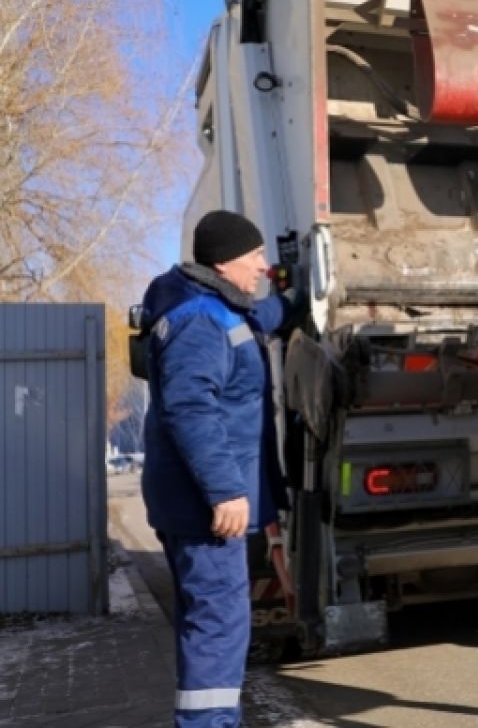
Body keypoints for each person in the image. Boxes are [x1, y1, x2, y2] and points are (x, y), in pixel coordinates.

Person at [139, 210, 302, 728]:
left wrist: (298, 300)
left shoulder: (220, 308)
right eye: (256, 256)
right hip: (204, 508)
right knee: (218, 626)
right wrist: (226, 491)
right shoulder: (200, 322)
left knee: (207, 624)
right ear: (227, 261)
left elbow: (263, 317)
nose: (263, 266)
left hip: (192, 503)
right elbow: (190, 408)